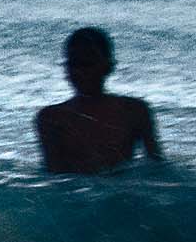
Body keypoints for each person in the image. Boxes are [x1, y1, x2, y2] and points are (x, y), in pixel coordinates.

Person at [35, 26, 163, 174]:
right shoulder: (51, 118)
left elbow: (157, 166)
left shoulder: (135, 111)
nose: (79, 72)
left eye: (87, 64)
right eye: (74, 64)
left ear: (108, 67)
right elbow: (54, 173)